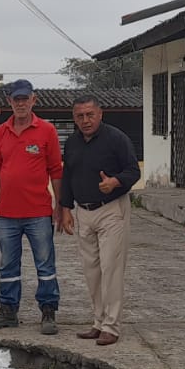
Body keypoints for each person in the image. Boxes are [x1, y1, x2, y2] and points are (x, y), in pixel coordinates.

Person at [0, 79, 64, 335]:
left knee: (45, 264)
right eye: (16, 99)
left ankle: (48, 311)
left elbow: (56, 171)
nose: (20, 104)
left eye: (24, 99)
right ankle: (8, 310)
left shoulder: (47, 131)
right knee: (8, 265)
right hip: (7, 214)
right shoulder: (0, 132)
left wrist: (60, 206)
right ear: (9, 101)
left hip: (39, 212)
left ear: (33, 100)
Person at [58, 94, 140, 346]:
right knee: (91, 271)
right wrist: (65, 207)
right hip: (83, 212)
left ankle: (111, 326)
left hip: (111, 210)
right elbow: (68, 175)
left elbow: (133, 171)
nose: (85, 120)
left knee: (111, 268)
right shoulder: (72, 143)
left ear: (100, 114)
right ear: (74, 118)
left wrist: (115, 181)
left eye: (90, 115)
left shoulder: (116, 139)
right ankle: (98, 321)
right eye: (80, 116)